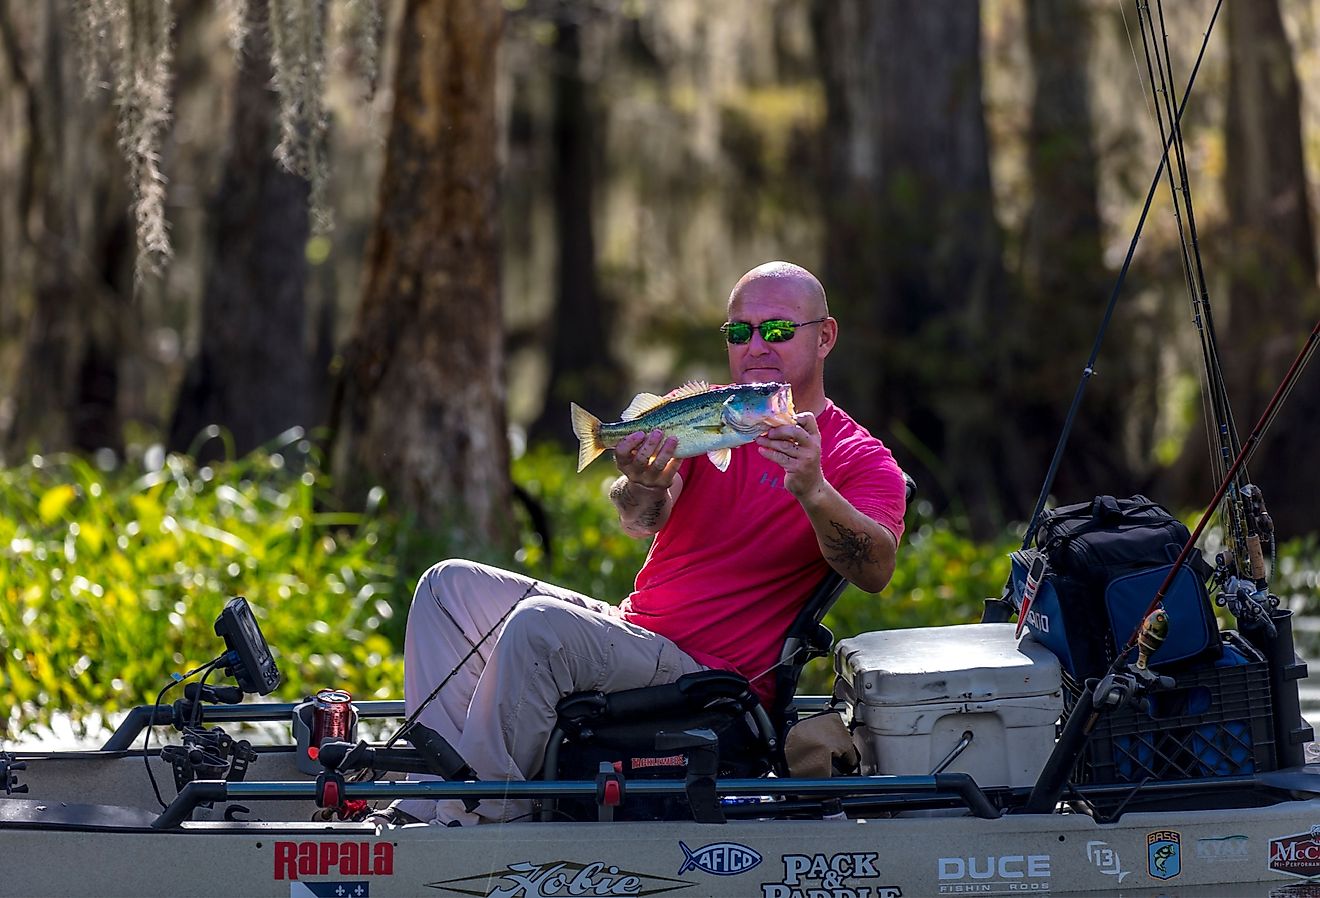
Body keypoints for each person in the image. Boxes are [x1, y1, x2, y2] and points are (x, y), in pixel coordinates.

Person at [386, 261, 908, 826]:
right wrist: (641, 482)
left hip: (709, 676)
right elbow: (640, 520)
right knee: (447, 588)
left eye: (777, 330)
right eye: (740, 331)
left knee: (538, 627)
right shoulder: (712, 418)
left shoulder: (859, 458)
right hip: (639, 632)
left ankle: (475, 818)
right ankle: (429, 796)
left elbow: (875, 568)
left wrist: (814, 489)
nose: (756, 346)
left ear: (824, 336)